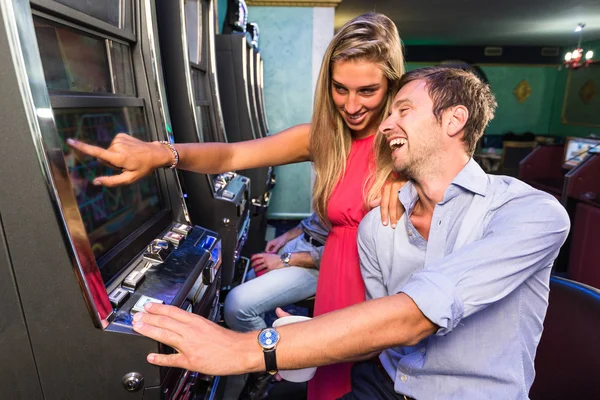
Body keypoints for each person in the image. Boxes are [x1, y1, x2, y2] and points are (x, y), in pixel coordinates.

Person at [129, 67, 570, 399]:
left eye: (403, 110)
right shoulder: (379, 223)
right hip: (379, 384)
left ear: (454, 120)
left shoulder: (528, 212)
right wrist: (308, 336)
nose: (383, 124)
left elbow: (415, 317)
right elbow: (381, 334)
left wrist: (247, 348)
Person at [68, 12, 405, 399]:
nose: (351, 105)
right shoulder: (324, 138)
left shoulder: (405, 148)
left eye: (367, 91)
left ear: (393, 86)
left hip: (380, 295)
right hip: (335, 279)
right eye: (340, 88)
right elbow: (230, 156)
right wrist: (162, 154)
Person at [225, 213, 328, 399]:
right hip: (302, 243)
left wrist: (285, 260)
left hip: (321, 260)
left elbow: (346, 247)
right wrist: (286, 237)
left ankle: (267, 366)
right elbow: (316, 220)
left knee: (237, 305)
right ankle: (262, 352)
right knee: (250, 279)